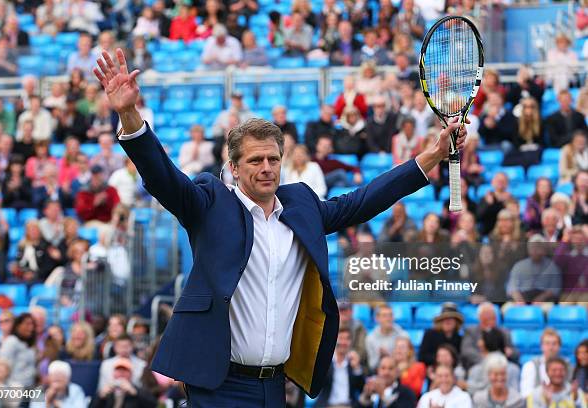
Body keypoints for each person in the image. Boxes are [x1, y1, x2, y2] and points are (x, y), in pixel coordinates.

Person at [93, 47, 466, 406]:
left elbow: (362, 201)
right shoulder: (211, 202)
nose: (267, 167)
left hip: (274, 386)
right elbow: (164, 179)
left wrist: (432, 155)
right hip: (216, 385)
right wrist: (129, 115)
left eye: (273, 158)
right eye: (255, 160)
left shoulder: (301, 205)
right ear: (234, 168)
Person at [314, 327, 365, 407]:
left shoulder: (353, 362)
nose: (343, 342)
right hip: (328, 405)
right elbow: (318, 383)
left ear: (350, 342)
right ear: (335, 340)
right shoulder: (326, 361)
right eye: (341, 338)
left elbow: (361, 388)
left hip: (348, 405)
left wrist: (357, 368)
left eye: (347, 339)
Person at [507, 234, 562, 304]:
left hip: (545, 299)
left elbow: (555, 288)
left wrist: (542, 297)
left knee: (548, 309)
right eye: (533, 247)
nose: (535, 250)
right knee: (506, 309)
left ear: (545, 250)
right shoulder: (519, 266)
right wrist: (518, 299)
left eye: (539, 247)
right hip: (521, 297)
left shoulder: (552, 267)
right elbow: (512, 286)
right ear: (528, 249)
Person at [461, 302, 517, 370]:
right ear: (480, 318)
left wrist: (510, 352)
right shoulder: (471, 331)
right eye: (486, 318)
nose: (490, 321)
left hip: (501, 366)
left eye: (492, 318)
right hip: (479, 365)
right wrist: (488, 360)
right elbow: (467, 351)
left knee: (513, 369)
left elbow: (515, 352)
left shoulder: (504, 332)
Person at [466, 330, 520, 395]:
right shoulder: (514, 368)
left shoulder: (476, 370)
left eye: (481, 339)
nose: (478, 343)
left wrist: (466, 385)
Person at [91, 357, 158, 408]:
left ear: (131, 374)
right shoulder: (106, 390)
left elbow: (153, 404)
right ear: (114, 373)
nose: (121, 373)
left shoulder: (137, 390)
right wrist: (100, 396)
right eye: (118, 370)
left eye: (125, 370)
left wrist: (135, 392)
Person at [520, 328, 566, 397]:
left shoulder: (567, 366)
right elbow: (525, 394)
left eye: (554, 344)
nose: (551, 347)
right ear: (541, 346)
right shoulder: (530, 366)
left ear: (559, 346)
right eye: (547, 343)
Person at [0, 313, 38, 388]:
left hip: (29, 387)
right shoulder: (11, 341)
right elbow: (3, 364)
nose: (31, 328)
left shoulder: (29, 344)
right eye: (27, 324)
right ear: (18, 325)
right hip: (14, 387)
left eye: (32, 324)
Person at [366, 304, 409, 372]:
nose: (388, 319)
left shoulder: (403, 335)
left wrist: (389, 356)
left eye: (390, 315)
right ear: (377, 318)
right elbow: (372, 366)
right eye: (384, 316)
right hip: (379, 373)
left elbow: (408, 360)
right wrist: (380, 356)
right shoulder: (371, 338)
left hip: (400, 373)